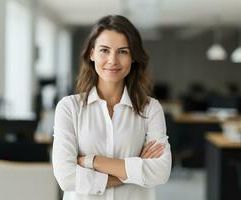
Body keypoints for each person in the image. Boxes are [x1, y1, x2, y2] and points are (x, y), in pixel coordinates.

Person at [52, 15, 171, 200]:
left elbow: (160, 172)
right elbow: (66, 177)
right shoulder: (69, 108)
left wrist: (91, 161)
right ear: (92, 53)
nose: (112, 60)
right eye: (104, 50)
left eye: (122, 51)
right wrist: (135, 169)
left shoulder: (150, 108)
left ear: (133, 57)